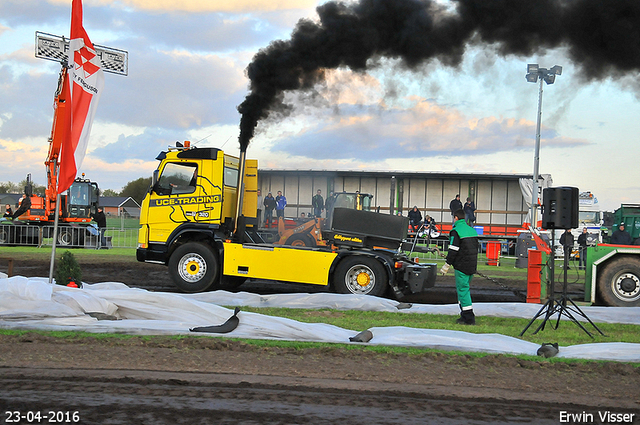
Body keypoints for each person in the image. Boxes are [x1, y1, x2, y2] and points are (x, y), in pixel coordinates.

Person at [440, 209, 479, 325]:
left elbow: (453, 250)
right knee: (464, 290)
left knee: (463, 291)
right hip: (472, 266)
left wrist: (446, 265)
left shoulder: (456, 231)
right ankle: (463, 315)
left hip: (461, 266)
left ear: (456, 218)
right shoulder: (472, 231)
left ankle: (469, 318)